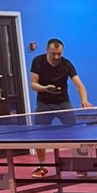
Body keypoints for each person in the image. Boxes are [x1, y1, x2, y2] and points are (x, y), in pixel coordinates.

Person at [29, 39, 93, 177]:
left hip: (63, 103)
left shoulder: (66, 64)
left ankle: (80, 166)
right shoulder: (38, 61)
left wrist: (84, 100)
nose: (56, 57)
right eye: (53, 54)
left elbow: (79, 85)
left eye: (59, 54)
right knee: (39, 136)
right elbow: (33, 84)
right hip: (44, 104)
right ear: (47, 50)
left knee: (75, 133)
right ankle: (42, 167)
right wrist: (45, 88)